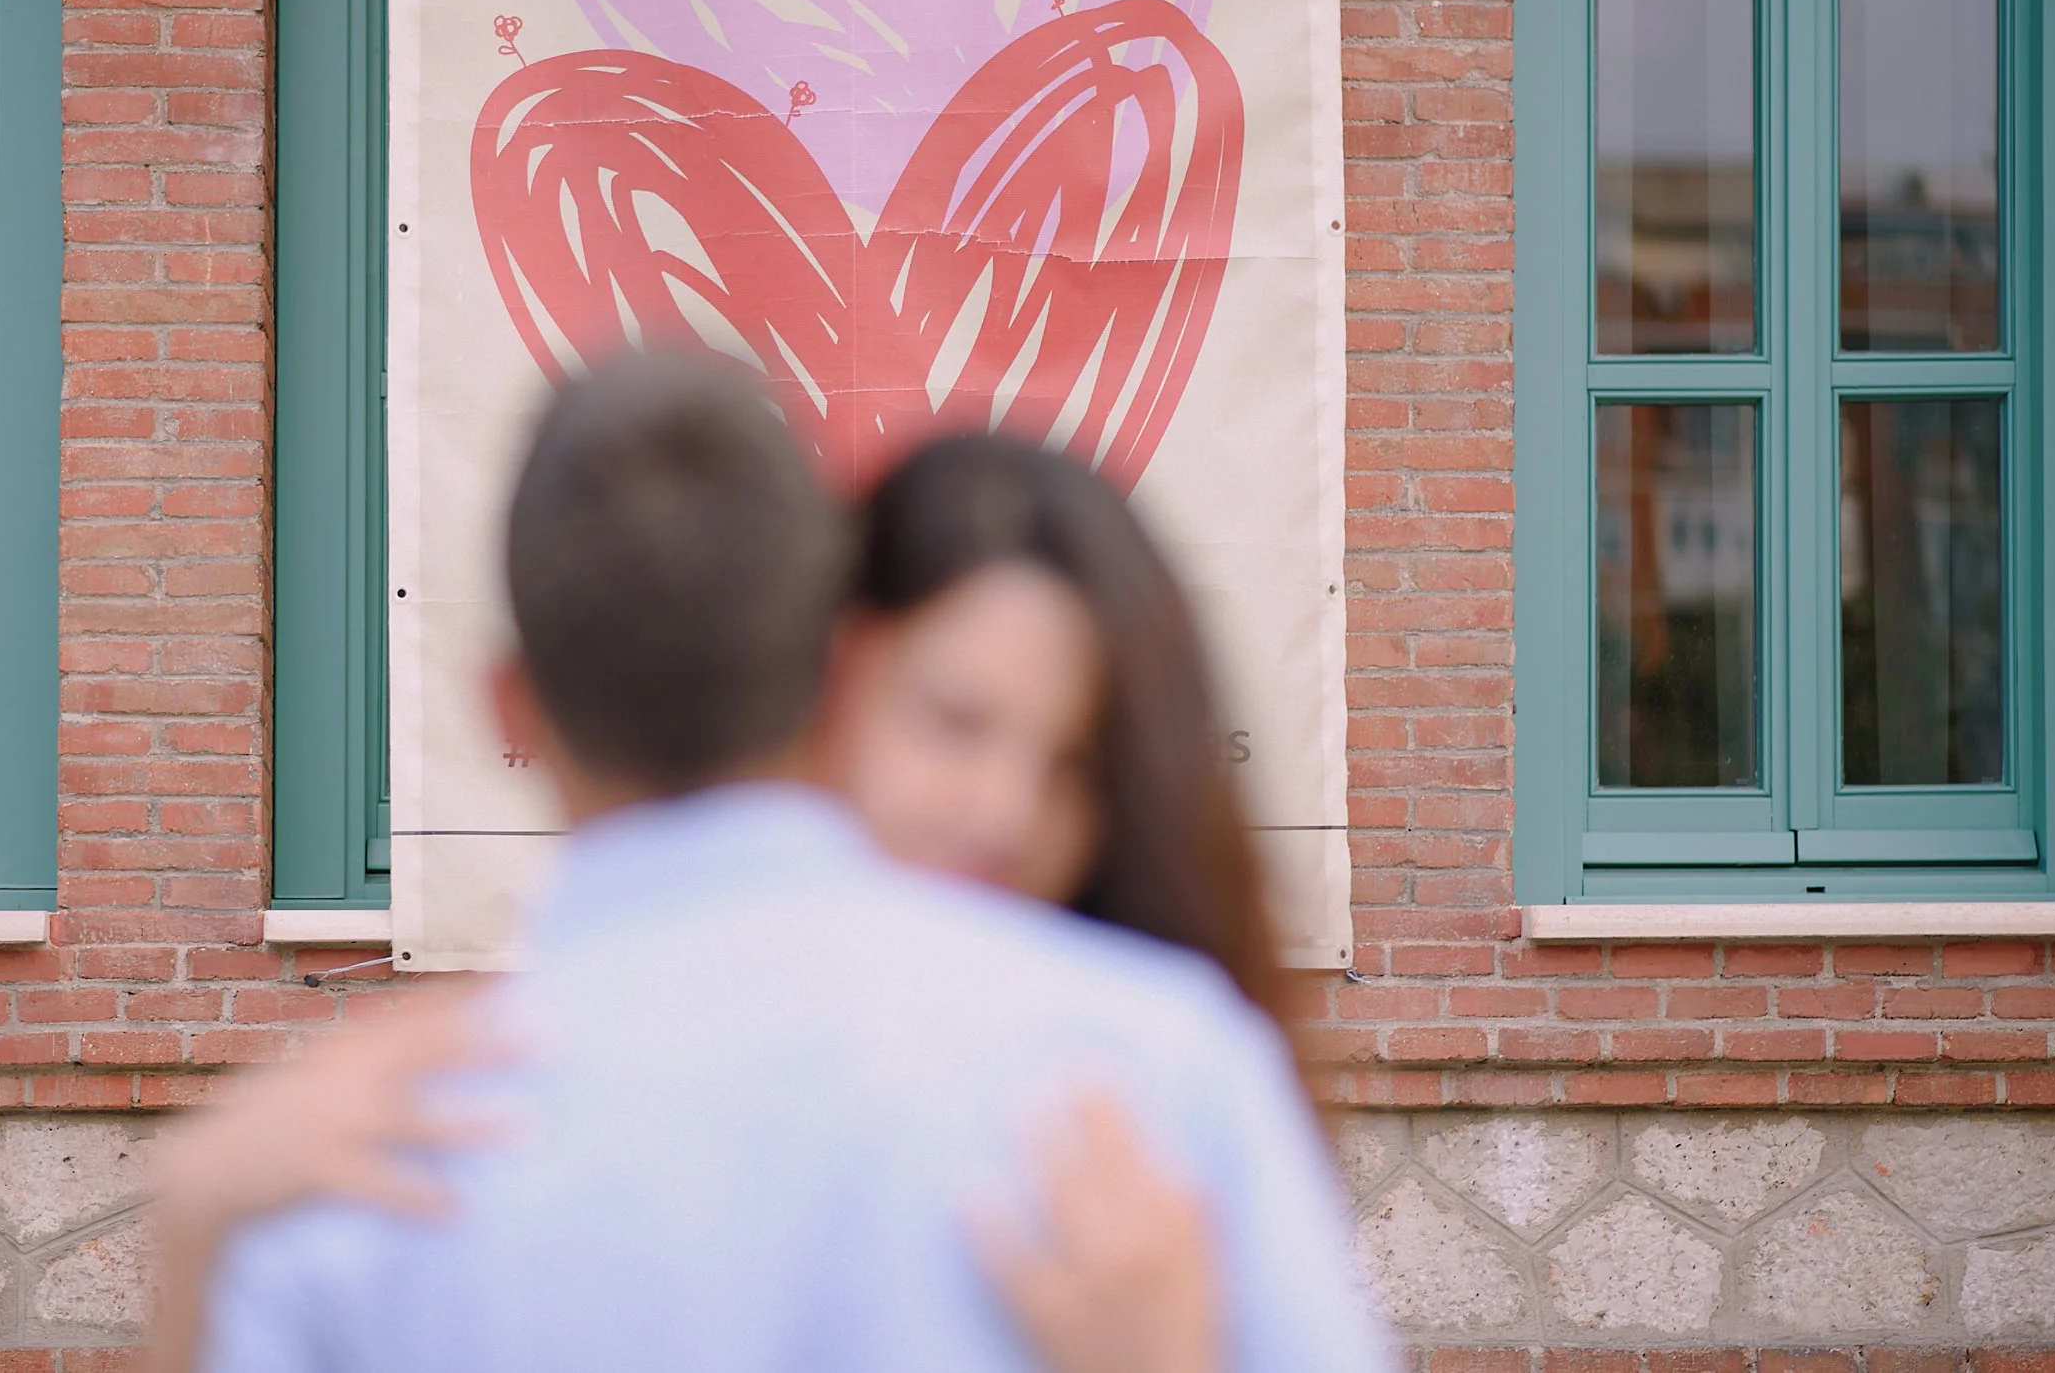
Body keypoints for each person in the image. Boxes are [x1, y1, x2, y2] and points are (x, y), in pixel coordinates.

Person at [178, 358, 1392, 1373]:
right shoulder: (1154, 1071)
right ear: (841, 673)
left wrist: (195, 1241)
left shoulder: (334, 1178)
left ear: (509, 704)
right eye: (956, 722)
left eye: (1067, 760)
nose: (1000, 807)